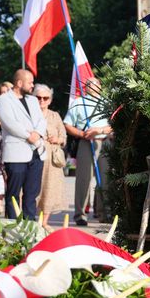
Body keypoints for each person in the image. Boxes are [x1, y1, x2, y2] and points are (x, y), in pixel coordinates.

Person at [0, 69, 44, 221]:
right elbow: (9, 123)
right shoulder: (4, 100)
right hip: (17, 153)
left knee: (31, 194)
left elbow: (41, 120)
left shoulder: (33, 100)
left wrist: (37, 134)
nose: (32, 85)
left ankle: (29, 226)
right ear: (19, 83)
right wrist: (28, 135)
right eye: (30, 82)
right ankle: (14, 228)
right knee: (14, 194)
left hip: (36, 151)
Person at [63, 79, 113, 226]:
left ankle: (104, 212)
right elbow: (68, 124)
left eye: (95, 84)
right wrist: (81, 133)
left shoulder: (107, 102)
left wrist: (100, 130)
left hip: (105, 141)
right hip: (86, 142)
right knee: (83, 180)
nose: (92, 87)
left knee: (105, 179)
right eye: (88, 85)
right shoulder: (79, 103)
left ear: (100, 86)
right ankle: (80, 214)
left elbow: (114, 125)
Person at [34, 83, 67, 220]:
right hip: (34, 156)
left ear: (50, 100)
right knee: (34, 188)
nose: (42, 100)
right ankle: (32, 218)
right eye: (38, 97)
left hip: (52, 160)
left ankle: (44, 221)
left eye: (45, 98)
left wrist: (57, 139)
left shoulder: (55, 116)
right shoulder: (30, 114)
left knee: (50, 188)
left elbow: (64, 136)